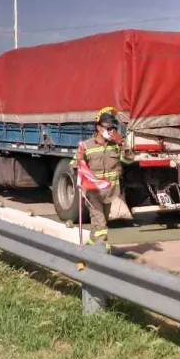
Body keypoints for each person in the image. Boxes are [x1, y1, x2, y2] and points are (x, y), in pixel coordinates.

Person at [73, 107, 134, 251]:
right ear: (99, 128)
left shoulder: (116, 146)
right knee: (101, 225)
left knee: (99, 222)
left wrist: (122, 143)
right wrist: (79, 159)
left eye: (113, 128)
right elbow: (76, 165)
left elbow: (129, 160)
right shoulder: (86, 146)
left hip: (110, 192)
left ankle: (90, 247)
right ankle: (102, 252)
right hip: (93, 193)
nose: (111, 131)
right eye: (108, 128)